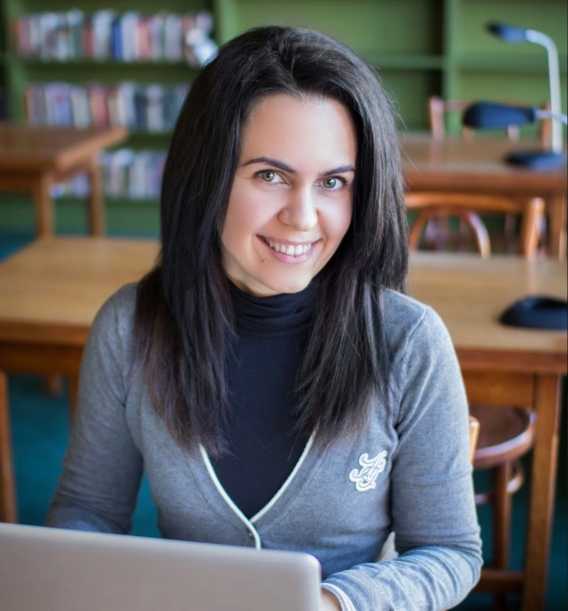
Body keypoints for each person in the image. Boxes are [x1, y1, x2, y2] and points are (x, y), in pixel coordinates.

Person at [47, 26, 482, 610]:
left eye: (333, 183)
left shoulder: (410, 342)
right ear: (207, 179)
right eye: (269, 175)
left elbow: (450, 551)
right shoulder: (129, 328)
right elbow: (87, 514)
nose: (303, 217)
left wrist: (333, 604)